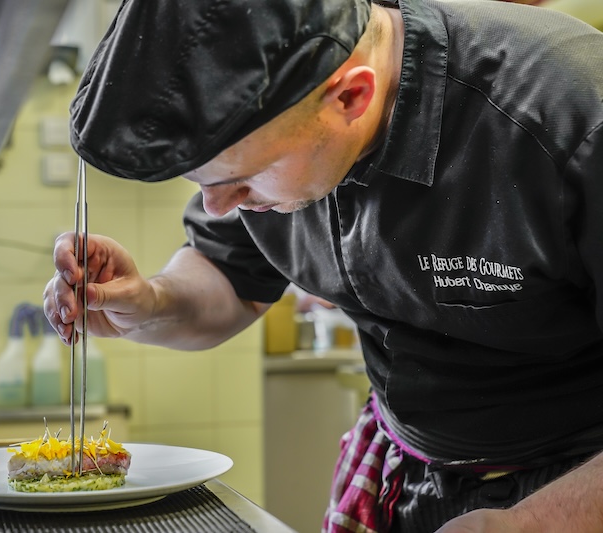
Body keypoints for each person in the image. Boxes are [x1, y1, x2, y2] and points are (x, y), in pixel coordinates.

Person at [43, 0, 603, 530]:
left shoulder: (570, 116)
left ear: (351, 98)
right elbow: (230, 279)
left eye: (241, 179)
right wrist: (151, 303)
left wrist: (535, 522)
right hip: (402, 467)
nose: (219, 206)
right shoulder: (277, 125)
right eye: (205, 183)